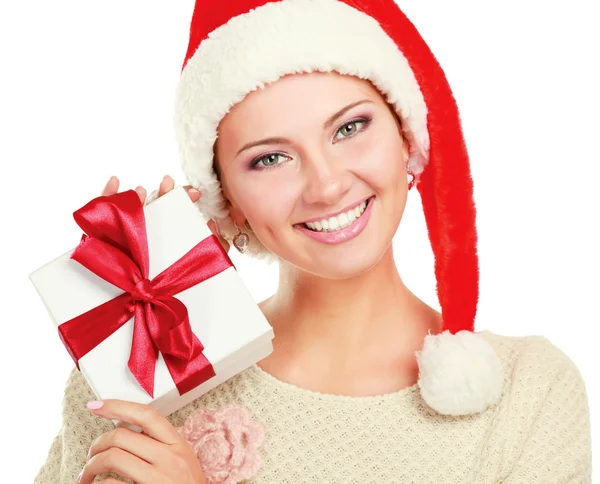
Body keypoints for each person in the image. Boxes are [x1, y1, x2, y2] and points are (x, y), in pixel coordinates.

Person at [35, 0, 592, 483]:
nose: (326, 186)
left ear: (408, 139)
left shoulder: (528, 394)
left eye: (350, 128)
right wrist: (125, 336)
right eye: (270, 158)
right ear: (225, 200)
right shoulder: (136, 377)